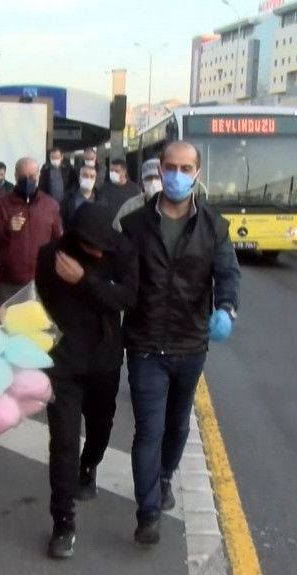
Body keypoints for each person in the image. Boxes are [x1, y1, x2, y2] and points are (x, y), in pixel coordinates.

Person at [118, 141, 240, 546]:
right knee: (148, 430)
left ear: (197, 174)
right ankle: (147, 512)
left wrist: (226, 308)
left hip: (191, 345)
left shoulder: (214, 227)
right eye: (169, 167)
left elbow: (228, 275)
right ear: (159, 170)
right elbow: (113, 274)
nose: (175, 175)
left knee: (178, 425)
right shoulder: (136, 226)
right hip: (145, 344)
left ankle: (165, 476)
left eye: (185, 168)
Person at [35, 202, 138, 559]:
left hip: (104, 361)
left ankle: (90, 463)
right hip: (61, 363)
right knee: (62, 443)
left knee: (99, 429)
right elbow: (40, 303)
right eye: (92, 245)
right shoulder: (50, 256)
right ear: (76, 239)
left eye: (103, 244)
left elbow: (126, 298)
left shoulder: (122, 251)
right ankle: (62, 523)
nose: (99, 250)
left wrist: (85, 281)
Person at [0, 157, 62, 303]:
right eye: (24, 177)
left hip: (40, 282)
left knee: (38, 325)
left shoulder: (50, 205)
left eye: (32, 176)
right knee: (9, 324)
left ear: (38, 176)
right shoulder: (1, 204)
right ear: (16, 176)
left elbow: (58, 241)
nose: (28, 180)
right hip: (9, 283)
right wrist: (6, 227)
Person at [112, 158, 164, 231]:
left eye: (157, 177)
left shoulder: (176, 205)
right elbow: (116, 232)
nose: (153, 182)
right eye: (148, 178)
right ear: (142, 183)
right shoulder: (130, 206)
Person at [60, 164, 99, 231]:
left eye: (92, 176)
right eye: (85, 175)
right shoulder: (68, 198)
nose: (88, 179)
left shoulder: (100, 198)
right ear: (79, 177)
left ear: (95, 179)